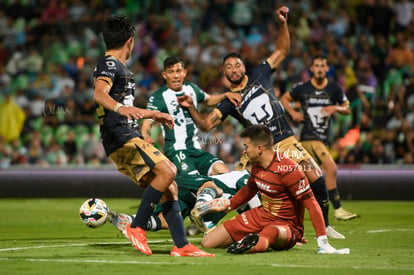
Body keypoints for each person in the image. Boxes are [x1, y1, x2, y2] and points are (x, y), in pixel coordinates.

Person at [179, 6, 345, 239]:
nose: (234, 69)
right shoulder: (229, 100)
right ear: (223, 72)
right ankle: (204, 220)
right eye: (229, 67)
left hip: (284, 140)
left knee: (315, 176)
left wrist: (283, 23)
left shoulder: (261, 73)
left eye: (237, 65)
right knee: (238, 187)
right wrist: (191, 108)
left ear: (244, 67)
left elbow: (283, 49)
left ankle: (325, 226)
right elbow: (207, 126)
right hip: (257, 150)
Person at [93, 14, 213, 257]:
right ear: (130, 41)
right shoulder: (109, 65)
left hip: (125, 133)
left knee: (171, 187)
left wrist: (153, 114)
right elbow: (99, 94)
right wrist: (120, 108)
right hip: (121, 135)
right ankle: (136, 226)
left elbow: (127, 106)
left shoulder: (119, 67)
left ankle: (182, 246)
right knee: (168, 170)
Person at [196, 125, 350, 254]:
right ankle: (252, 238)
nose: (244, 151)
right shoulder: (256, 166)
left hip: (287, 225)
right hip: (261, 215)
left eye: (246, 147)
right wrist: (228, 205)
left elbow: (312, 204)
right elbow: (248, 190)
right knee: (208, 242)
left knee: (271, 232)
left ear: (260, 148)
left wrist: (322, 241)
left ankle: (250, 245)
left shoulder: (289, 169)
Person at [142, 56, 241, 220]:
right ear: (164, 75)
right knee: (200, 185)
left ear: (185, 72)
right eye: (171, 72)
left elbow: (208, 100)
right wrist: (145, 135)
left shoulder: (191, 89)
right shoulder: (158, 97)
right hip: (177, 151)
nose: (175, 75)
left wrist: (225, 95)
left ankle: (205, 218)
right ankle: (196, 218)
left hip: (196, 150)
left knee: (224, 174)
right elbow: (147, 122)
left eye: (178, 71)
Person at [280, 54, 358, 221]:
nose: (320, 69)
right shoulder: (302, 88)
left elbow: (347, 108)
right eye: (317, 66)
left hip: (322, 139)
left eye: (323, 66)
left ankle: (292, 209)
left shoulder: (334, 88)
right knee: (331, 169)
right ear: (312, 69)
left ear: (327, 69)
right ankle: (337, 210)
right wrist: (293, 112)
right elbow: (284, 98)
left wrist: (334, 108)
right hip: (309, 137)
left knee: (309, 176)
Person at [108, 170, 261, 236]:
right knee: (214, 188)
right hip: (193, 185)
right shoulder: (247, 177)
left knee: (166, 221)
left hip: (192, 199)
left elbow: (249, 219)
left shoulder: (241, 203)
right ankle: (201, 206)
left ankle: (125, 220)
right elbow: (256, 207)